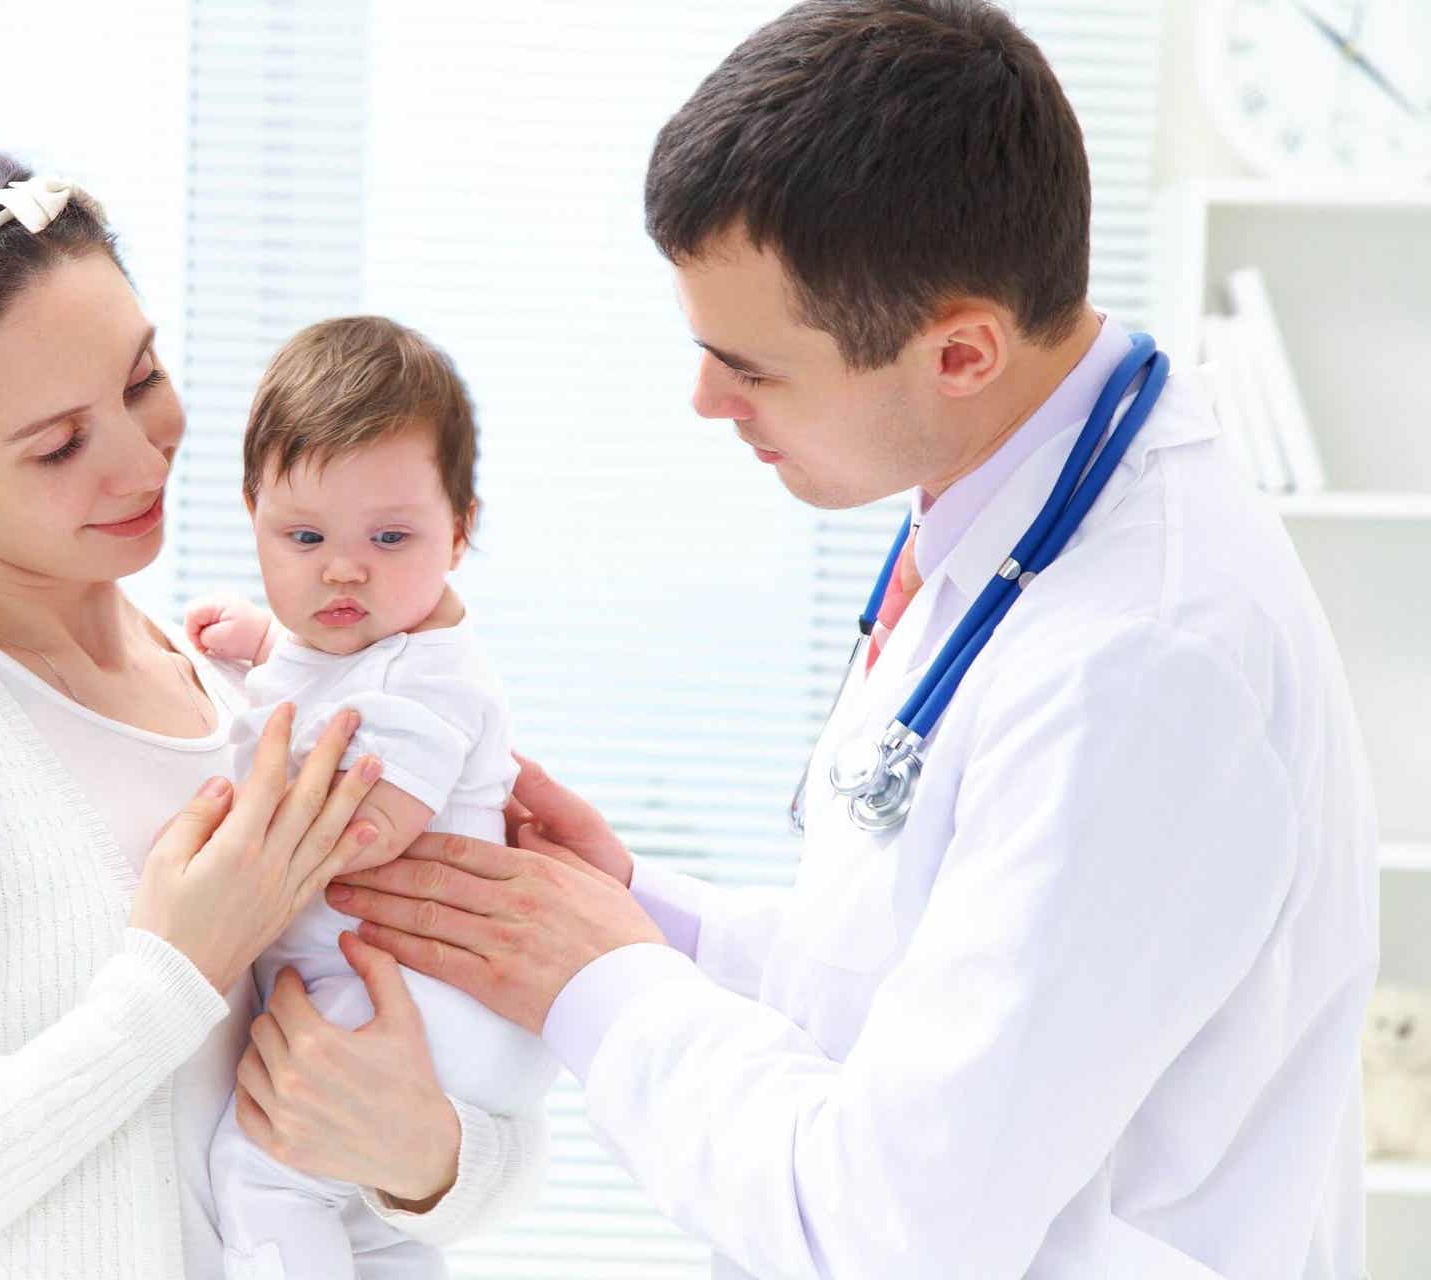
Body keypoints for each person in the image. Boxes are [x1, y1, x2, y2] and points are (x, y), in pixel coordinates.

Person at [326, 3, 1381, 1276]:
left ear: (961, 349)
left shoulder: (1141, 659)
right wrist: (652, 923)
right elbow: (931, 986)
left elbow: (892, 1228)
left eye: (752, 367)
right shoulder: (1006, 507)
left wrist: (596, 984)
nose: (706, 399)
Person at [0, 151, 543, 1280]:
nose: (140, 453)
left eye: (142, 375)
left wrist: (427, 1156)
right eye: (59, 444)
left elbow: (460, 1147)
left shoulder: (244, 683)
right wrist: (171, 976)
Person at [184, 316, 559, 1279]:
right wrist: (270, 645)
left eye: (390, 537)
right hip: (429, 1013)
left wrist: (219, 786)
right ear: (252, 514)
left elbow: (362, 823)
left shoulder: (428, 684)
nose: (343, 568)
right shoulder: (379, 650)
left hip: (416, 1007)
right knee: (369, 1228)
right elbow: (342, 678)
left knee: (264, 1170)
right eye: (303, 536)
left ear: (460, 531)